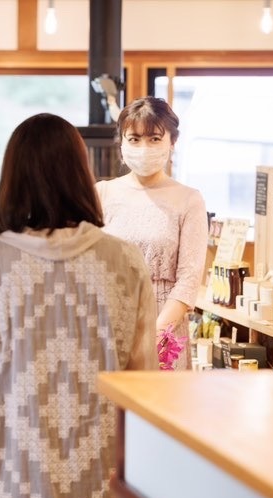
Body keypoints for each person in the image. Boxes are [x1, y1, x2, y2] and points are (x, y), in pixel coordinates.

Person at [0, 113, 158, 498]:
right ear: (81, 175)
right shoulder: (126, 263)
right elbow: (142, 379)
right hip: (99, 472)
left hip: (9, 474)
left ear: (11, 178)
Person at [96, 96, 208, 371]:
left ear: (172, 142)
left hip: (164, 328)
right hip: (109, 325)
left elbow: (189, 279)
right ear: (122, 143)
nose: (143, 147)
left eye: (154, 139)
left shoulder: (189, 199)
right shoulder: (102, 193)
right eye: (134, 139)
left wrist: (156, 334)